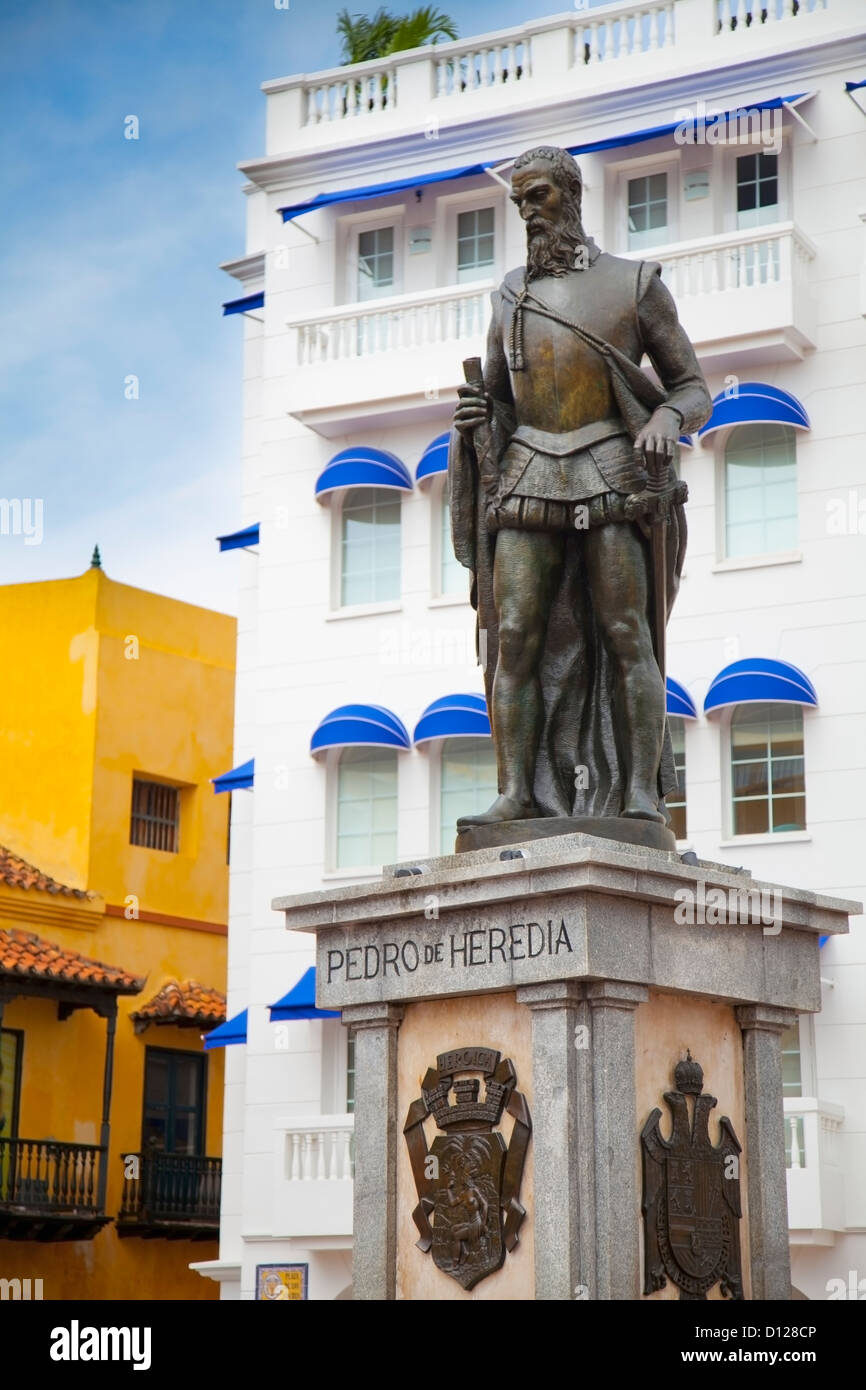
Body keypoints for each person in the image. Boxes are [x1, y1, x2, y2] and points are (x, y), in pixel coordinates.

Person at [450, 145, 711, 827]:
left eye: (537, 196)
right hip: (529, 469)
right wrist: (480, 419)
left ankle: (640, 792)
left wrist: (664, 417)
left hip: (610, 469)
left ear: (571, 194)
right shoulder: (511, 294)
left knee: (628, 632)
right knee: (514, 636)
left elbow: (692, 387)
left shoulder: (634, 284)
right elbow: (506, 401)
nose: (526, 212)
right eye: (518, 201)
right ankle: (517, 789)